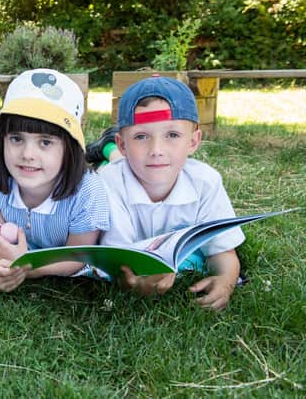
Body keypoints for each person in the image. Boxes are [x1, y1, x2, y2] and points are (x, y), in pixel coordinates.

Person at [91, 75, 244, 311]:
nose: (157, 150)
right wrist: (132, 283)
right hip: (117, 167)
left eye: (172, 135)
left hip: (128, 162)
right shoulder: (107, 182)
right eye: (141, 136)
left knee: (128, 163)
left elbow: (223, 251)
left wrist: (225, 282)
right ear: (124, 143)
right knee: (112, 167)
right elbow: (120, 262)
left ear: (193, 141)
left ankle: (106, 148)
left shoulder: (206, 181)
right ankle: (107, 148)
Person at [0, 68, 110, 293]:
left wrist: (30, 268)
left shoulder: (89, 192)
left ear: (70, 148)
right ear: (2, 141)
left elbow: (77, 256)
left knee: (113, 169)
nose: (28, 154)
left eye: (45, 142)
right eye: (16, 139)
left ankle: (108, 151)